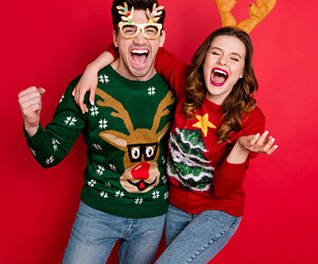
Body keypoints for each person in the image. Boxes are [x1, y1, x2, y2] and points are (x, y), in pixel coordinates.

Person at [73, 26, 278, 263]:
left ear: (242, 72)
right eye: (216, 53)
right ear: (204, 60)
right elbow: (142, 48)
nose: (223, 61)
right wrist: (93, 68)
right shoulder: (185, 82)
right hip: (176, 207)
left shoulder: (251, 118)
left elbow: (222, 190)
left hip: (217, 211)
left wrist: (241, 148)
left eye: (234, 58)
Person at [17, 0, 175, 264]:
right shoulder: (88, 86)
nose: (140, 39)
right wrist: (32, 125)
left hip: (152, 216)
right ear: (115, 38)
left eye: (150, 30)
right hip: (97, 213)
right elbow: (49, 155)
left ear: (161, 38)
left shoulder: (177, 85)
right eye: (129, 30)